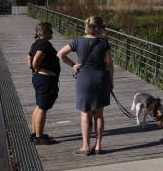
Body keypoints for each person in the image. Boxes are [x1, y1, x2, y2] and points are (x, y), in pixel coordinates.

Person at [57, 16, 114, 155]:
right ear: (96, 28)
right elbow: (110, 64)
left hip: (84, 79)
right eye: (102, 27)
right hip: (101, 79)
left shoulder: (77, 41)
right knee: (99, 114)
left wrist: (73, 65)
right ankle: (98, 146)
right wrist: (111, 81)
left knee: (85, 114)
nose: (103, 30)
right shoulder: (104, 42)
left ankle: (86, 147)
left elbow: (60, 54)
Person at [28, 22, 60, 145]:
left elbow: (29, 56)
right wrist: (38, 69)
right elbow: (35, 61)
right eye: (50, 30)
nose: (52, 33)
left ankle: (34, 133)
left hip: (39, 79)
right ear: (44, 32)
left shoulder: (36, 43)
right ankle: (39, 137)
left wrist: (34, 70)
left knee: (39, 106)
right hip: (45, 80)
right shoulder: (44, 45)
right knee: (43, 108)